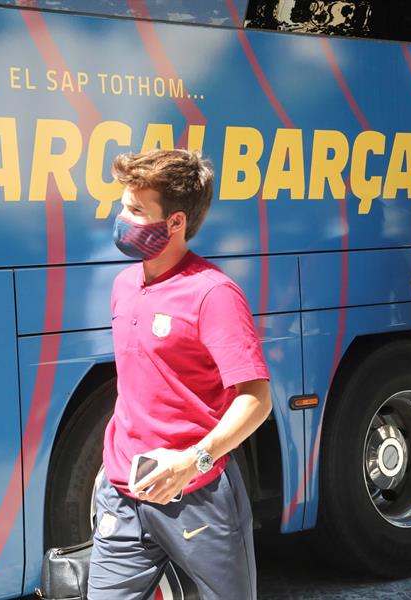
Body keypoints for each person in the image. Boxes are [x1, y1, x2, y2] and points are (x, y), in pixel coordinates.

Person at [87, 149, 272, 599]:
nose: (122, 219)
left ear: (175, 223)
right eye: (123, 205)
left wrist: (193, 461)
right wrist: (108, 467)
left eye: (136, 210)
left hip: (197, 495)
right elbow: (139, 387)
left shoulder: (213, 294)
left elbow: (256, 399)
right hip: (122, 493)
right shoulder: (124, 285)